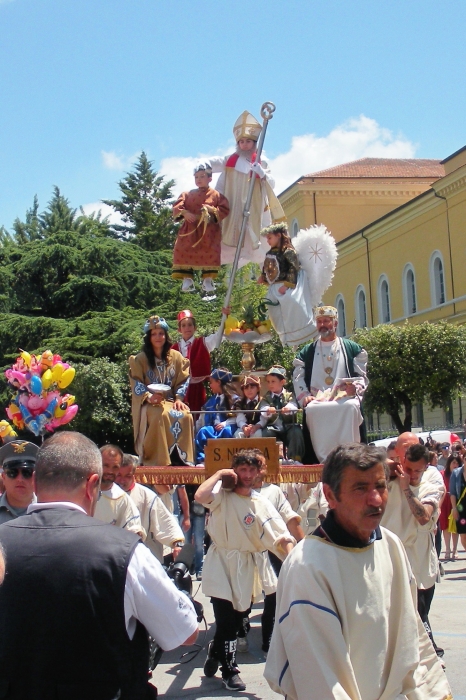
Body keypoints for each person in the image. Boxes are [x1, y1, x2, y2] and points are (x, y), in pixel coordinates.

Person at [0, 431, 198, 699]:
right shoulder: (126, 553)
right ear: (92, 484)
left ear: (35, 482)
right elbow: (185, 633)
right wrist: (182, 593)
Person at [264, 443, 451, 700]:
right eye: (360, 488)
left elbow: (410, 632)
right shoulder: (307, 567)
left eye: (381, 486)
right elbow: (318, 677)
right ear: (330, 496)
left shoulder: (390, 544)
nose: (375, 499)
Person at [195, 450, 296, 692]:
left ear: (260, 472)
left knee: (237, 620)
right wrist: (219, 474)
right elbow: (200, 495)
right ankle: (230, 671)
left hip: (245, 568)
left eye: (253, 470)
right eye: (243, 470)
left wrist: (294, 557)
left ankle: (215, 650)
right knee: (226, 620)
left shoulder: (260, 503)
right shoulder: (222, 496)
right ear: (235, 470)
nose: (248, 475)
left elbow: (280, 534)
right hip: (221, 562)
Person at [381, 441, 445, 657]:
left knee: (419, 614)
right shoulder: (388, 476)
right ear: (402, 460)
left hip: (419, 561)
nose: (413, 474)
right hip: (389, 559)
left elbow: (424, 517)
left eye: (418, 470)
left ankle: (428, 657)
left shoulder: (432, 480)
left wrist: (406, 487)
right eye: (408, 469)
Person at [207, 110, 286, 267]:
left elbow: (272, 183)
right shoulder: (230, 162)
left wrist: (261, 173)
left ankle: (270, 265)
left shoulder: (261, 162)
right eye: (241, 142)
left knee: (259, 238)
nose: (244, 144)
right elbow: (220, 183)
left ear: (254, 143)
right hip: (234, 209)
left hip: (254, 209)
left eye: (248, 141)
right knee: (231, 237)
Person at [293, 305, 368, 463]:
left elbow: (361, 377)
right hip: (318, 399)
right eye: (319, 321)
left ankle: (351, 455)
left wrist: (354, 388)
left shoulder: (352, 349)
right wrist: (305, 396)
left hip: (343, 398)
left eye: (326, 321)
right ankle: (323, 460)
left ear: (335, 323)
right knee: (312, 409)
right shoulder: (307, 352)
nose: (322, 325)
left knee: (351, 407)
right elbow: (298, 377)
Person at [129, 315, 194, 466]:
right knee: (160, 414)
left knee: (186, 414)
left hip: (170, 400)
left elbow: (183, 379)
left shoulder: (176, 357)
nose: (158, 337)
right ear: (149, 337)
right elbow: (136, 383)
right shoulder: (140, 359)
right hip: (149, 402)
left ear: (166, 335)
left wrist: (179, 399)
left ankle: (181, 458)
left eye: (161, 333)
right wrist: (149, 397)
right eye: (154, 334)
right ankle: (157, 459)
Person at [115, 453, 185, 563]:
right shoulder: (103, 495)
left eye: (127, 476)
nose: (122, 480)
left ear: (134, 475)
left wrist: (177, 544)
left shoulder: (147, 496)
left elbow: (164, 521)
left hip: (142, 555)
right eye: (119, 475)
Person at [172, 163, 229, 294]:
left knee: (210, 251)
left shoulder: (216, 195)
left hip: (208, 230)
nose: (199, 179)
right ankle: (187, 278)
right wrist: (185, 213)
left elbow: (224, 209)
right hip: (190, 229)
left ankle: (208, 279)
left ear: (210, 178)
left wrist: (211, 210)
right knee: (181, 249)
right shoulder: (187, 194)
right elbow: (177, 207)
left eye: (202, 176)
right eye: (196, 176)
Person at [258, 223, 316, 347]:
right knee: (274, 311)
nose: (268, 241)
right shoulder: (270, 253)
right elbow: (268, 267)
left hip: (285, 286)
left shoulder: (288, 251)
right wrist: (263, 277)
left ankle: (300, 334)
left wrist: (288, 285)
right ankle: (285, 338)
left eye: (269, 238)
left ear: (278, 235)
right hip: (274, 287)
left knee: (292, 304)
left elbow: (293, 268)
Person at [171, 308, 224, 414]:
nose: (187, 328)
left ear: (195, 327)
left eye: (190, 325)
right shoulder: (173, 349)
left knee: (198, 416)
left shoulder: (203, 343)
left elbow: (220, 335)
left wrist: (225, 316)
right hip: (178, 390)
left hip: (197, 388)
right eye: (184, 325)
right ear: (179, 329)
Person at [94, 445, 144, 536]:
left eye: (115, 467)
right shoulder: (80, 490)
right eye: (106, 465)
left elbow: (134, 530)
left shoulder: (122, 499)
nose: (110, 471)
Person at [259, 365, 304, 462]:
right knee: (267, 433)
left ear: (282, 382)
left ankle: (295, 459)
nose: (270, 384)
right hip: (273, 427)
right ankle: (272, 459)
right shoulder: (266, 397)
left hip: (289, 425)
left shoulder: (290, 395)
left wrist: (288, 409)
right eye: (268, 382)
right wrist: (268, 410)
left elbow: (294, 406)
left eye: (273, 381)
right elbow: (262, 408)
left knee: (296, 431)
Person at [195, 368, 238, 464]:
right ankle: (203, 460)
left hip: (228, 426)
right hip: (213, 428)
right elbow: (201, 419)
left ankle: (227, 460)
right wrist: (193, 429)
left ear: (218, 382)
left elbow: (238, 417)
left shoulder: (234, 399)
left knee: (227, 431)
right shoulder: (210, 401)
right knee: (203, 431)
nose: (210, 386)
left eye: (211, 382)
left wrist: (225, 423)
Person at [0, 440, 38, 524]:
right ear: (4, 477)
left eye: (27, 472)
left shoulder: (48, 512)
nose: (20, 479)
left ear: (36, 477)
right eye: (12, 473)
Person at [439, 454, 460, 560]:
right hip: (445, 501)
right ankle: (447, 549)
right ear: (449, 464)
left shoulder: (460, 474)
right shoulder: (442, 474)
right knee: (446, 526)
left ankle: (455, 549)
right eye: (453, 462)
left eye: (457, 463)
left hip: (457, 502)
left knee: (455, 526)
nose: (455, 465)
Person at [233, 375, 263, 439]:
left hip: (259, 427)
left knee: (258, 434)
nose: (249, 390)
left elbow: (264, 419)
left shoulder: (263, 401)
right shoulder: (239, 403)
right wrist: (244, 428)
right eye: (246, 388)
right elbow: (240, 419)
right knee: (237, 434)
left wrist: (255, 427)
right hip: (244, 427)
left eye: (252, 387)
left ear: (258, 388)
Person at [450, 453, 466, 553]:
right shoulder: (456, 473)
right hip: (461, 508)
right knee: (463, 534)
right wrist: (454, 508)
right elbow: (452, 493)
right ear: (463, 459)